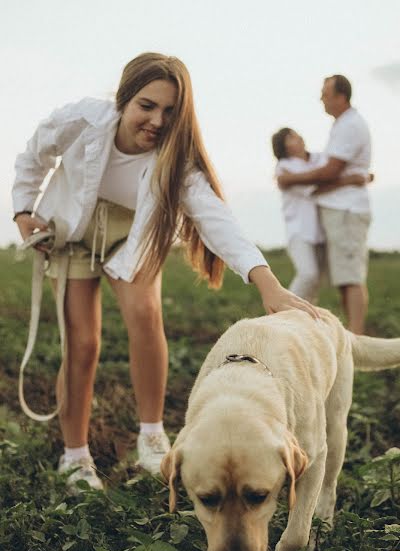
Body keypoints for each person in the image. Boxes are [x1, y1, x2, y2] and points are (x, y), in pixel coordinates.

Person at [12, 52, 318, 492]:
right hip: (74, 229)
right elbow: (34, 154)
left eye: (170, 111)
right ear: (123, 99)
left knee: (145, 317)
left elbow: (218, 221)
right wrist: (24, 209)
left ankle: (152, 435)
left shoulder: (179, 163)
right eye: (147, 105)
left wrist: (265, 280)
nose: (157, 120)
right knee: (82, 342)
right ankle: (75, 456)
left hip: (136, 233)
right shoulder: (80, 119)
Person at [277, 75, 372, 334]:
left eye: (325, 94)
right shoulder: (340, 126)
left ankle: (354, 336)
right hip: (325, 220)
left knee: (349, 277)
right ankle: (294, 322)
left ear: (340, 97)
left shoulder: (348, 125)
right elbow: (328, 176)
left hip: (346, 210)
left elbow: (329, 172)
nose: (321, 99)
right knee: (338, 278)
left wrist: (356, 178)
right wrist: (354, 177)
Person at [272, 127, 368, 304]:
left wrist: (362, 175)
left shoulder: (317, 158)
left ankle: (304, 322)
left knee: (316, 283)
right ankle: (281, 310)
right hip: (298, 231)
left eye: (295, 133)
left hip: (321, 231)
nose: (297, 137)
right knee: (308, 274)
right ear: (283, 146)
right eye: (290, 137)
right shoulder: (285, 166)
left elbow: (333, 171)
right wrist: (350, 180)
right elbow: (316, 188)